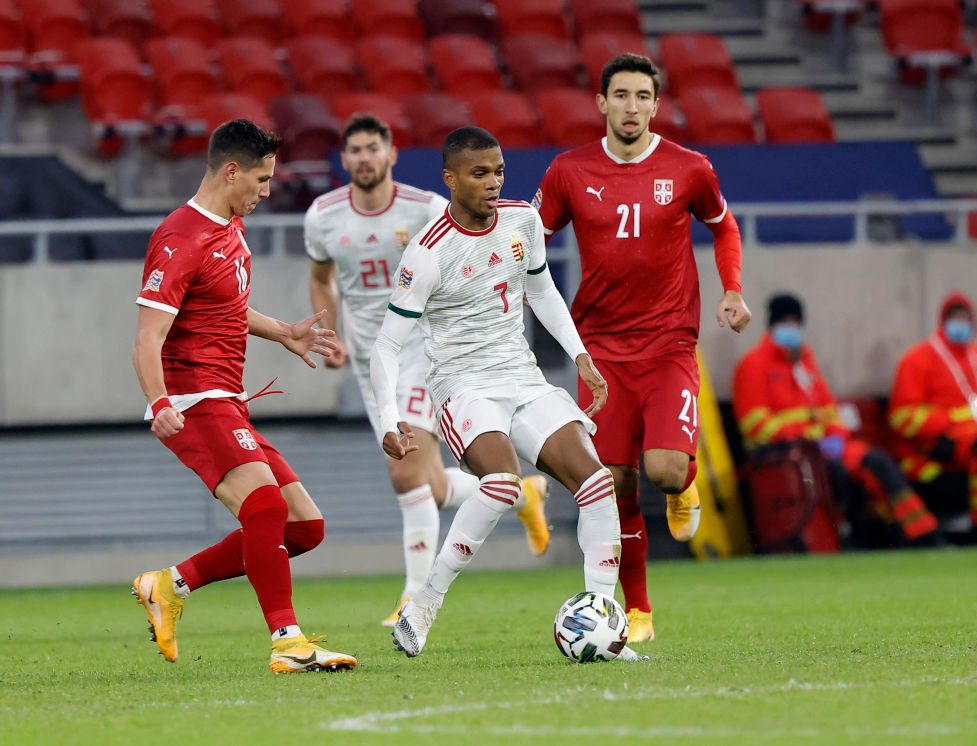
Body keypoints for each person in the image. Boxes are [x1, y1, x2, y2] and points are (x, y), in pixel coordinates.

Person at [370, 126, 645, 661]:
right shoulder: (429, 253)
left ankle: (603, 626)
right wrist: (388, 419)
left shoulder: (523, 219)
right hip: (464, 386)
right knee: (501, 484)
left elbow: (540, 289)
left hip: (523, 377)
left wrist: (580, 356)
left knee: (596, 484)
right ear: (450, 180)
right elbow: (385, 345)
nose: (493, 182)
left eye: (498, 171)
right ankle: (424, 604)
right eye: (479, 174)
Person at [534, 53, 751, 642]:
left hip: (668, 345)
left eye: (643, 97)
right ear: (601, 103)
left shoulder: (689, 168)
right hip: (599, 349)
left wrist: (732, 290)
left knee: (661, 469)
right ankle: (637, 611)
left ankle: (686, 482)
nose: (632, 107)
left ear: (657, 104)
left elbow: (724, 225)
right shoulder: (568, 171)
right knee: (615, 483)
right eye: (621, 95)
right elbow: (528, 240)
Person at [305, 114, 550, 627]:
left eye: (374, 147)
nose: (365, 158)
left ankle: (414, 598)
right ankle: (522, 492)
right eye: (355, 150)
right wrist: (327, 329)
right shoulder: (323, 216)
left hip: (428, 351)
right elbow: (322, 276)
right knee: (427, 484)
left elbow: (476, 253)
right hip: (375, 360)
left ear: (392, 154)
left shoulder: (426, 208)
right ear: (345, 159)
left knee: (404, 470)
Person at [131, 119, 357, 674]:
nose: (266, 191)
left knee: (304, 527)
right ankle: (288, 642)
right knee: (265, 505)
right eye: (261, 179)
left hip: (228, 397)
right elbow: (147, 336)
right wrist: (160, 402)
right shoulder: (179, 238)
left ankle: (169, 584)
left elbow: (221, 305)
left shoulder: (230, 226)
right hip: (192, 397)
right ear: (231, 172)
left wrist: (282, 330)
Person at [733, 293, 940, 545]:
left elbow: (831, 411)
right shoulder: (753, 365)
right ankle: (846, 537)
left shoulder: (805, 364)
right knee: (836, 475)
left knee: (877, 462)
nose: (791, 328)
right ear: (771, 325)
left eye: (795, 322)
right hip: (788, 456)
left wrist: (836, 436)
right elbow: (754, 425)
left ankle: (921, 533)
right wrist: (805, 438)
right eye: (784, 322)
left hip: (824, 449)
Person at [889, 291, 977, 540]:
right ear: (943, 320)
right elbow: (901, 417)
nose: (960, 325)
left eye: (965, 319)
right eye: (955, 318)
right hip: (942, 445)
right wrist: (948, 424)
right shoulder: (917, 359)